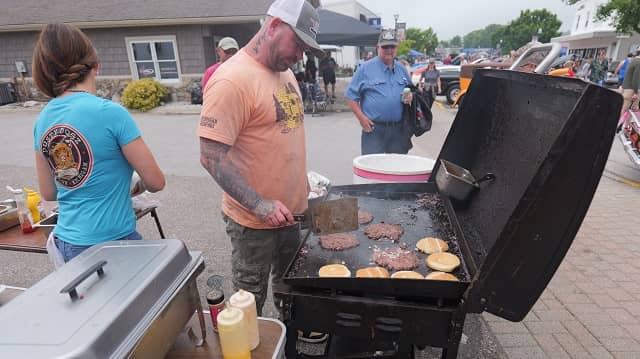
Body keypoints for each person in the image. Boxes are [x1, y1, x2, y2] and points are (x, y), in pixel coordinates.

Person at [197, 0, 324, 326]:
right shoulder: (232, 80)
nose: (301, 55)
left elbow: (284, 134)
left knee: (292, 291)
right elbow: (210, 157)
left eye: (306, 48)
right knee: (248, 302)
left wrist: (302, 184)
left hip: (292, 216)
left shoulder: (285, 73)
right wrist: (259, 204)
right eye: (298, 43)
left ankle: (288, 342)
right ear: (273, 26)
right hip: (253, 223)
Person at [31, 23, 165, 262]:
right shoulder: (111, 113)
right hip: (115, 242)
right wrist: (134, 185)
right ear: (95, 65)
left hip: (69, 245)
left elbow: (49, 192)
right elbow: (155, 181)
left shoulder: (42, 121)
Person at [345, 29, 413, 155]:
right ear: (378, 47)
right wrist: (362, 118)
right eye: (385, 47)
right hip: (374, 130)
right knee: (373, 169)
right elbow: (350, 97)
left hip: (398, 130)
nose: (389, 50)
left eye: (392, 47)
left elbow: (410, 90)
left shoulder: (402, 69)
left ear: (396, 48)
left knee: (397, 169)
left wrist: (410, 96)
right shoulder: (365, 69)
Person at [619, 50, 640, 115]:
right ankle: (615, 124)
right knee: (625, 111)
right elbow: (636, 78)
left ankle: (623, 124)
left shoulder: (632, 61)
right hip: (631, 90)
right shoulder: (638, 62)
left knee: (622, 110)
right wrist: (636, 92)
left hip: (625, 87)